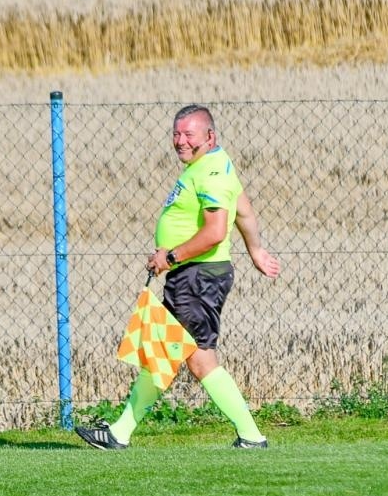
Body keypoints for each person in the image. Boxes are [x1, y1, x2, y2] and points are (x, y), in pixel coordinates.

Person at [76, 103, 281, 450]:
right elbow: (244, 210)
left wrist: (170, 257)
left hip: (197, 278)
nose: (180, 141)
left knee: (196, 359)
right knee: (166, 353)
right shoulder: (215, 165)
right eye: (176, 133)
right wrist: (256, 250)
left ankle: (251, 436)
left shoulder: (210, 172)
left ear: (209, 136)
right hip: (195, 276)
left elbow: (216, 231)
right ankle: (120, 433)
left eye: (189, 134)